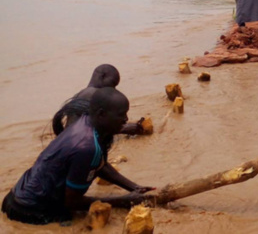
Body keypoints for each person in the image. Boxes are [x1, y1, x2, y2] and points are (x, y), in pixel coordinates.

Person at [2, 88, 153, 225]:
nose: (126, 119)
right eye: (121, 115)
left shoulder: (86, 122)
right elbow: (72, 202)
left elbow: (99, 165)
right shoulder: (87, 147)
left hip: (18, 195)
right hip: (29, 210)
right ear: (101, 114)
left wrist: (134, 188)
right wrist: (123, 201)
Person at [52, 64, 147, 136]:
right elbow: (96, 127)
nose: (113, 88)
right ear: (102, 77)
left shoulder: (83, 92)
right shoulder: (93, 94)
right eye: (113, 83)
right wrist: (123, 129)